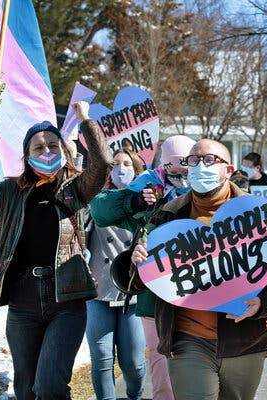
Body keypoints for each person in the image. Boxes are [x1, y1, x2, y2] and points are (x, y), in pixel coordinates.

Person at [0, 102, 110, 400]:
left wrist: (87, 120)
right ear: (27, 156)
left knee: (50, 387)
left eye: (53, 145)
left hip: (66, 298)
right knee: (25, 390)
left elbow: (101, 164)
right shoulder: (10, 190)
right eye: (39, 148)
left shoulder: (75, 188)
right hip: (23, 301)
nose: (47, 152)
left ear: (64, 151)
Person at [131, 139, 267, 400]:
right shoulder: (167, 215)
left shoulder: (261, 215)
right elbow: (145, 278)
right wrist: (136, 261)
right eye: (194, 160)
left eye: (210, 160)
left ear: (229, 170)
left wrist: (263, 304)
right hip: (186, 339)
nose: (201, 166)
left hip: (245, 340)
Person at [90, 134, 197, 400]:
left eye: (189, 165)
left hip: (198, 295)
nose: (183, 173)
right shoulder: (150, 185)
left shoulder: (208, 188)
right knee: (160, 374)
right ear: (165, 164)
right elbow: (101, 211)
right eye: (177, 166)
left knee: (196, 373)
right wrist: (135, 200)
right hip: (153, 299)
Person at [85, 149, 146, 400]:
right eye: (115, 164)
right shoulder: (97, 199)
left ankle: (135, 395)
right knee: (101, 358)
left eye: (127, 164)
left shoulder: (145, 202)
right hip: (99, 290)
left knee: (132, 361)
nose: (121, 168)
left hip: (133, 293)